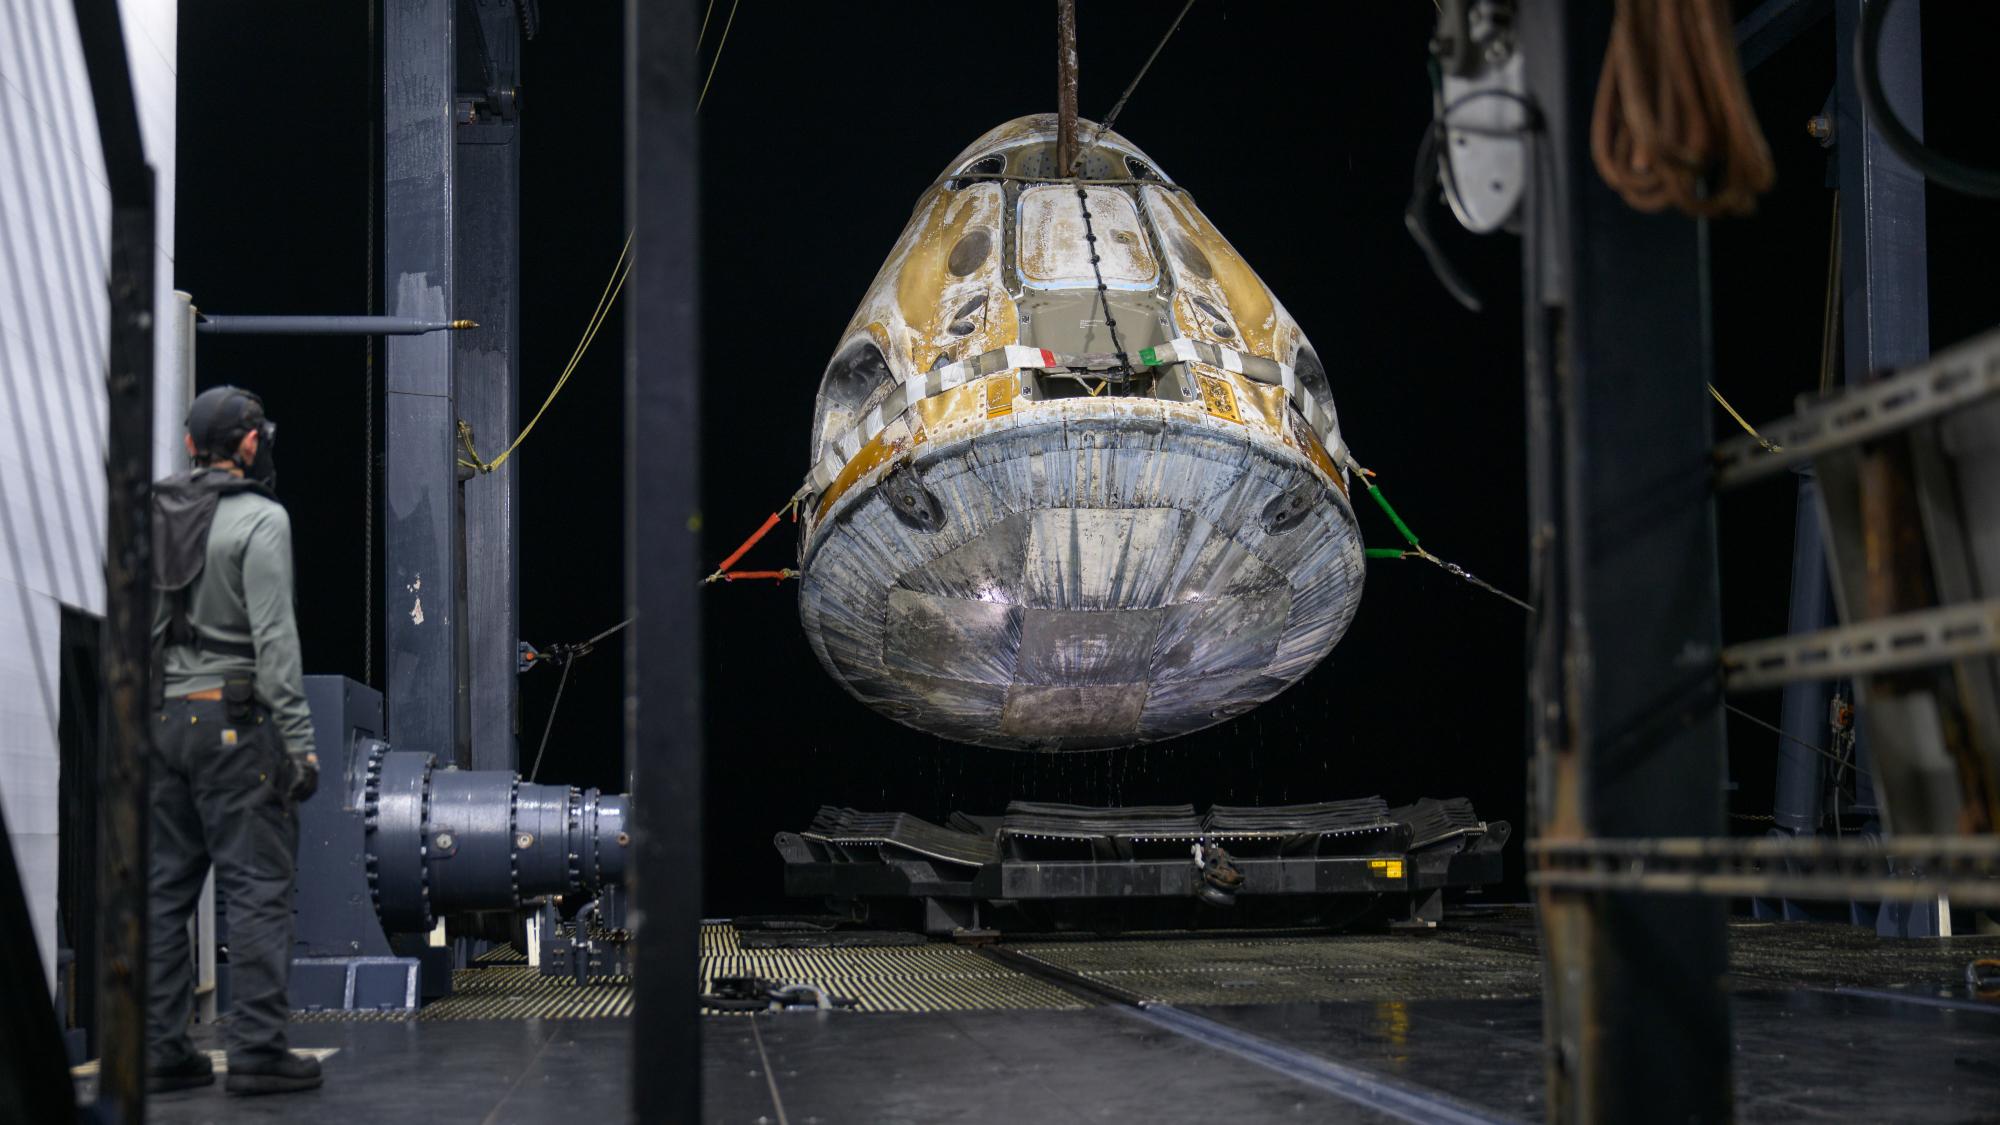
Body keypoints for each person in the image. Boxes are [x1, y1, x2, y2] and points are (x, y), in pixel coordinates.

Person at [145, 385, 323, 1096]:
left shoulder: (155, 513)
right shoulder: (260, 520)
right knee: (256, 889)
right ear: (250, 443)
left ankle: (160, 1049)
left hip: (163, 723)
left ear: (191, 446)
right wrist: (301, 745)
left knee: (162, 893)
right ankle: (255, 1049)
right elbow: (276, 640)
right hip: (237, 724)